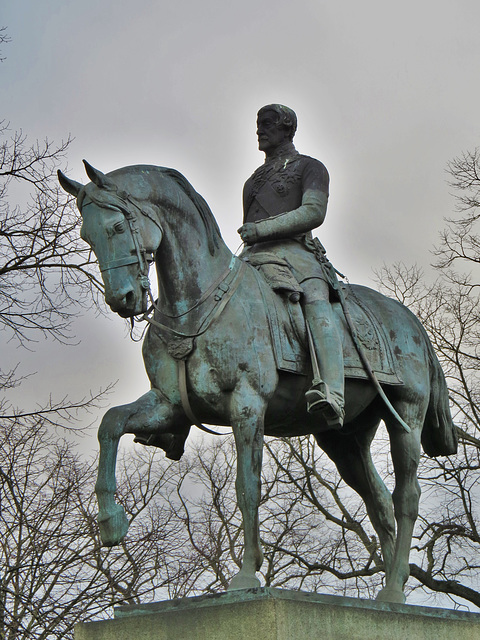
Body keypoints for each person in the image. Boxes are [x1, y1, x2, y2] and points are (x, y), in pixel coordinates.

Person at [238, 104, 344, 429]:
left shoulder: (310, 167)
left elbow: (313, 213)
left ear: (286, 128)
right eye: (258, 124)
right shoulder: (252, 182)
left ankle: (333, 391)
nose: (260, 129)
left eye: (267, 123)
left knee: (316, 301)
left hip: (297, 255)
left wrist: (263, 230)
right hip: (255, 256)